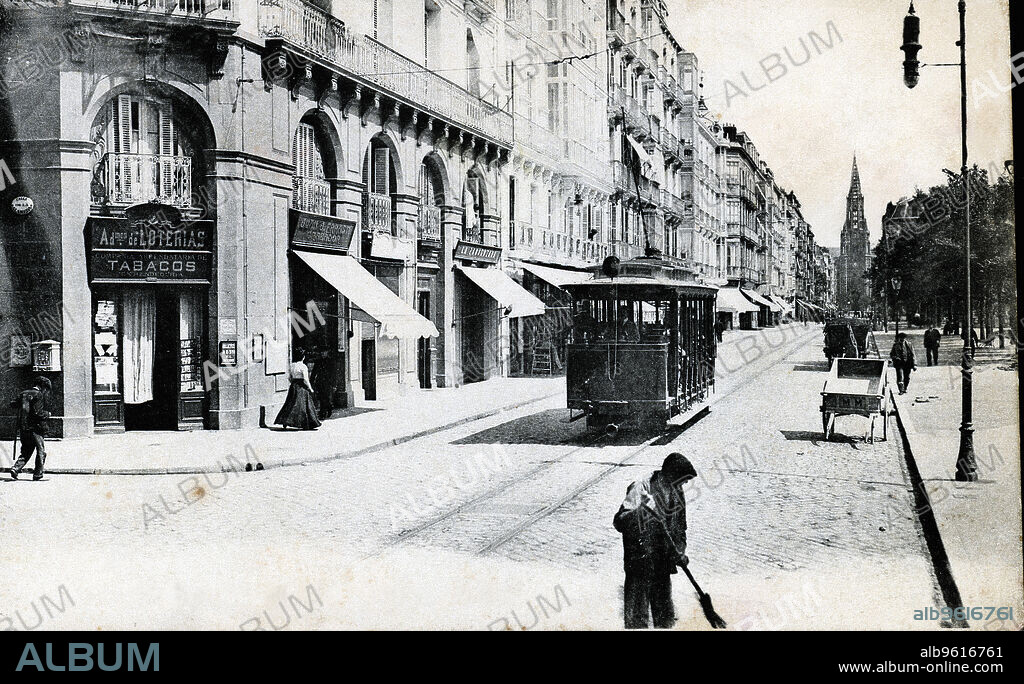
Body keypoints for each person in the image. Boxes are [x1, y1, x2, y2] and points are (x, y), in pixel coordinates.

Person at [613, 453, 697, 629]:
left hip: (662, 562)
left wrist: (680, 552)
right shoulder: (641, 487)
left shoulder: (676, 491)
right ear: (670, 476)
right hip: (639, 562)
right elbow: (620, 521)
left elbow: (680, 527)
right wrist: (644, 512)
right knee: (637, 619)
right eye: (683, 480)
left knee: (665, 617)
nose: (685, 485)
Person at [9, 376, 52, 481]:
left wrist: (22, 403)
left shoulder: (24, 393)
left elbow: (13, 404)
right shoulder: (38, 394)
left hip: (23, 428)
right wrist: (47, 414)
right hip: (36, 428)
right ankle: (38, 474)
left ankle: (16, 468)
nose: (46, 391)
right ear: (42, 386)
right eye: (46, 388)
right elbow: (37, 413)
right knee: (41, 451)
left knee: (26, 451)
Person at [274, 348, 321, 430]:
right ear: (303, 357)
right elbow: (306, 379)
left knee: (290, 403)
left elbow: (289, 377)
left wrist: (293, 382)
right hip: (301, 385)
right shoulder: (303, 366)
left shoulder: (292, 365)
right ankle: (304, 423)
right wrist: (310, 388)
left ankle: (285, 420)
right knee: (303, 405)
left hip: (293, 385)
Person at [309, 346, 337, 421]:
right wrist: (311, 381)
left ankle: (328, 408)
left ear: (327, 352)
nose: (322, 353)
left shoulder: (331, 361)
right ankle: (323, 412)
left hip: (328, 382)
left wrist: (334, 384)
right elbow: (314, 372)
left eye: (324, 352)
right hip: (320, 381)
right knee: (321, 397)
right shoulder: (318, 361)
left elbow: (334, 373)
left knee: (326, 397)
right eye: (321, 352)